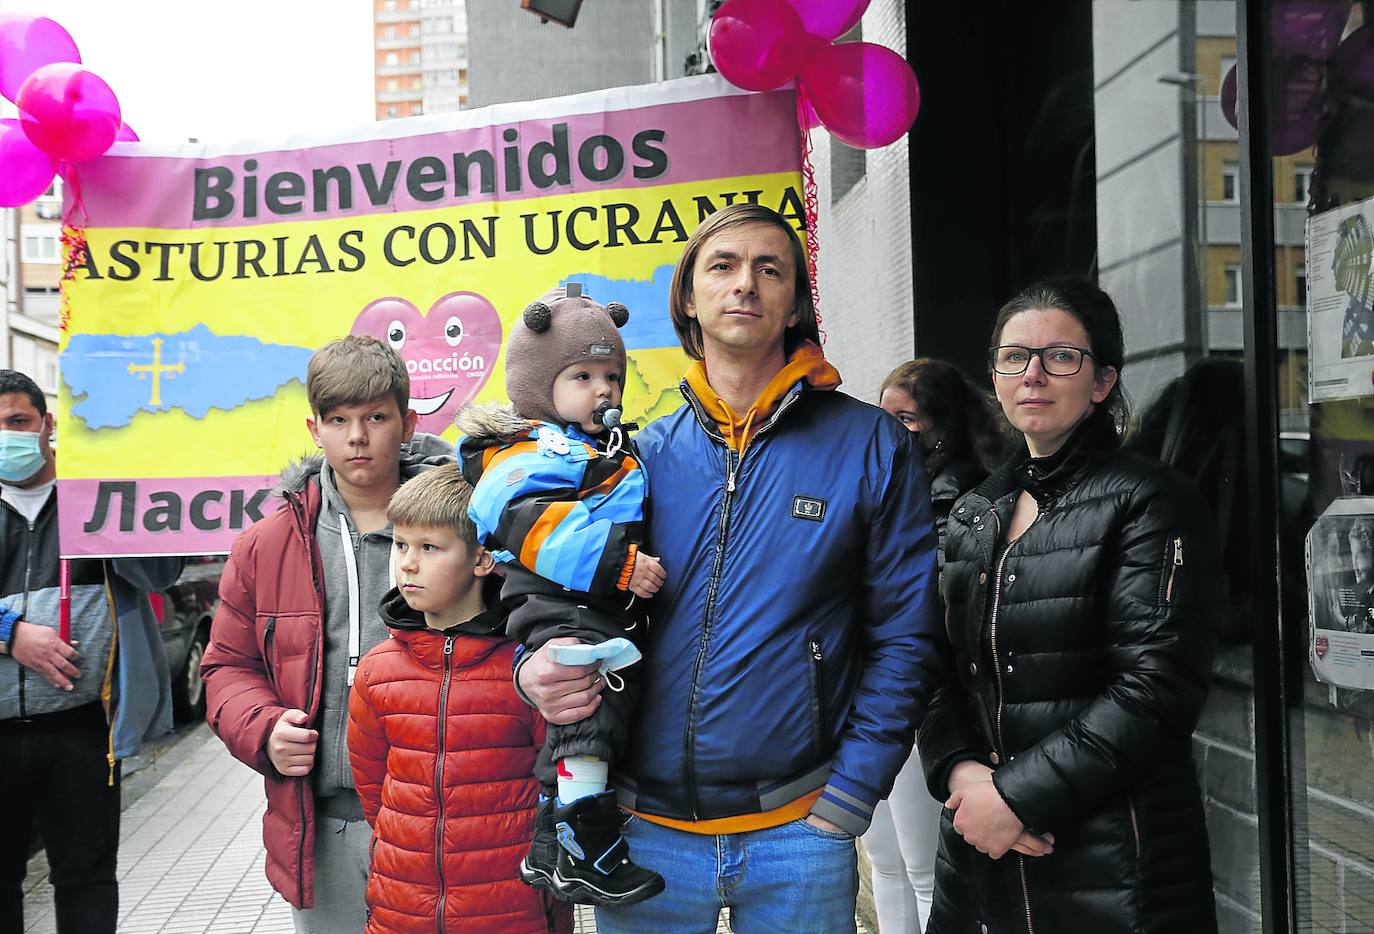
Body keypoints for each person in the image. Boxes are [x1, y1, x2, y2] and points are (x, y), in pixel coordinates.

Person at [517, 203, 941, 934]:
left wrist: (848, 800)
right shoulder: (637, 456)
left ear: (796, 302)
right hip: (641, 831)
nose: (745, 284)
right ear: (688, 296)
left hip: (799, 831)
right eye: (723, 265)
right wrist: (532, 667)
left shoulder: (870, 445)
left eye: (769, 269)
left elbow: (906, 637)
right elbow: (560, 592)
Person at [917, 276, 1220, 934]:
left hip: (1112, 860)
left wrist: (1016, 799)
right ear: (994, 376)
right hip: (978, 857)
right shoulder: (975, 512)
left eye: (1061, 356)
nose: (1034, 374)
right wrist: (960, 772)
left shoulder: (1150, 500)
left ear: (1103, 381)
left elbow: (1158, 686)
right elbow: (939, 667)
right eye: (1014, 356)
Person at [201, 336, 453, 932]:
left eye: (375, 417)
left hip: (447, 817)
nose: (357, 436)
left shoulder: (464, 527)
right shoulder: (268, 544)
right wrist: (263, 729)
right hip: (328, 822)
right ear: (315, 429)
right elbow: (226, 666)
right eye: (338, 420)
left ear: (408, 422)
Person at [456, 284, 665, 906]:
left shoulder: (593, 447)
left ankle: (550, 844)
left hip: (585, 602)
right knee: (589, 717)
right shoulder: (526, 456)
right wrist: (619, 566)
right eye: (582, 375)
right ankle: (589, 850)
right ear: (537, 385)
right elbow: (522, 520)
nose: (603, 390)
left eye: (611, 375)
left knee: (580, 717)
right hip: (564, 605)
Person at [346, 464, 572, 933]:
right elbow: (374, 792)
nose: (407, 563)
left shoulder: (526, 670)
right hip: (402, 909)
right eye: (402, 544)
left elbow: (555, 789)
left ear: (482, 558)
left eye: (429, 547)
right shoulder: (377, 671)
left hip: (512, 910)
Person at [0, 369, 183, 934]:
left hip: (86, 730)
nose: (6, 438)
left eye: (16, 422)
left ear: (48, 424)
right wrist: (10, 632)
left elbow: (162, 574)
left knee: (86, 881)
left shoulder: (96, 497)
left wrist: (126, 501)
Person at [870, 358, 1005, 934]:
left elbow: (931, 602)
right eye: (883, 416)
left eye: (905, 418)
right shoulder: (891, 483)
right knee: (885, 860)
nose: (889, 430)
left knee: (923, 868)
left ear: (940, 425)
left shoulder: (955, 493)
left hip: (918, 692)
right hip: (876, 689)